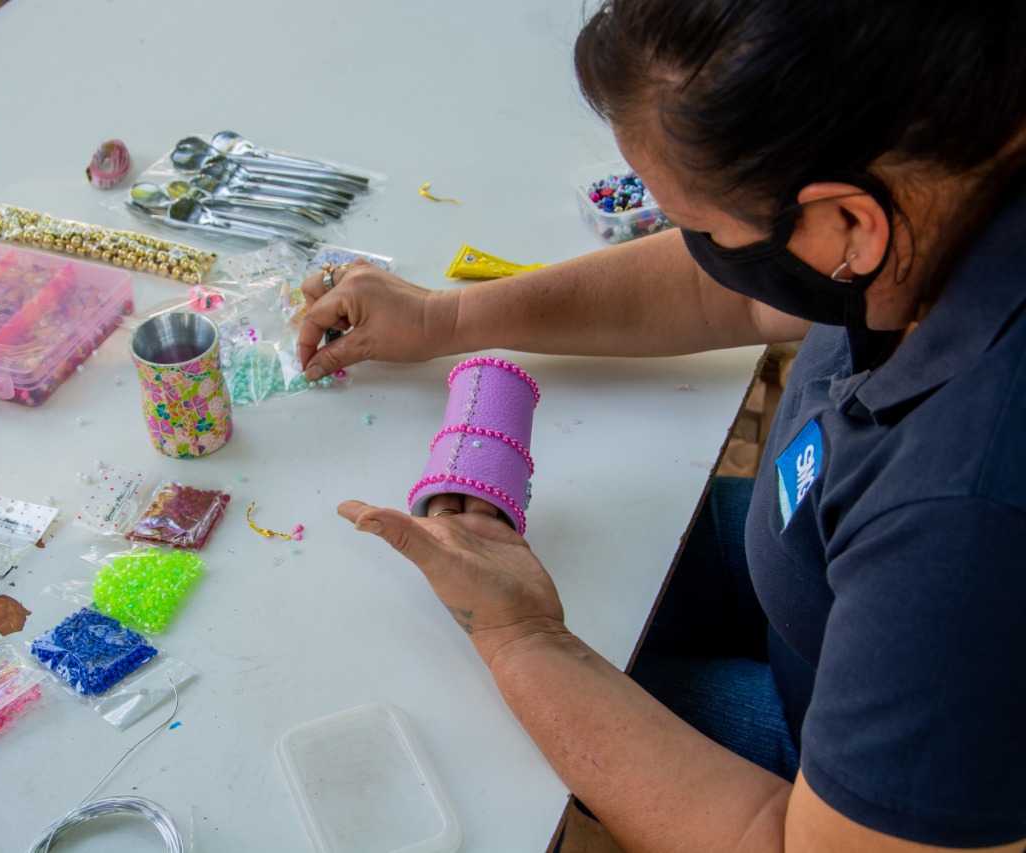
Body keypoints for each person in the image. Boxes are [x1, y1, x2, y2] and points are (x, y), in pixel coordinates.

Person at [296, 1, 1026, 850]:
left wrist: (520, 638)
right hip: (818, 577)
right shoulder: (952, 164)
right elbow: (736, 288)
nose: (695, 246)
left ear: (850, 224)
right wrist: (451, 319)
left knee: (464, 723)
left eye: (704, 226)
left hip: (814, 794)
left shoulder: (965, 518)